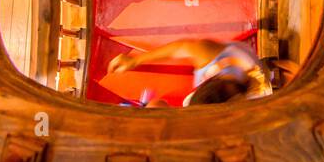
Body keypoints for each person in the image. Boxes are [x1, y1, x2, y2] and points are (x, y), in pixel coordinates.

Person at [107, 38, 296, 106]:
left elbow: (181, 48)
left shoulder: (255, 98)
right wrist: (134, 60)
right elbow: (180, 48)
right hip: (250, 77)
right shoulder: (212, 56)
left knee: (156, 106)